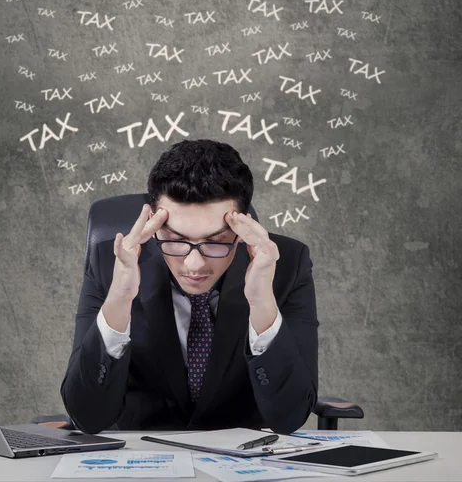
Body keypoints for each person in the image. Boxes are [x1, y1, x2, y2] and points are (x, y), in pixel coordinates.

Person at [60, 139, 318, 433]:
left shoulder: (286, 264)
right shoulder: (111, 263)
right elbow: (87, 417)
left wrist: (262, 305)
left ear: (241, 227)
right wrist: (120, 297)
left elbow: (291, 417)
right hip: (142, 459)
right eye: (176, 240)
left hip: (240, 462)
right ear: (155, 224)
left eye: (216, 242)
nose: (194, 265)